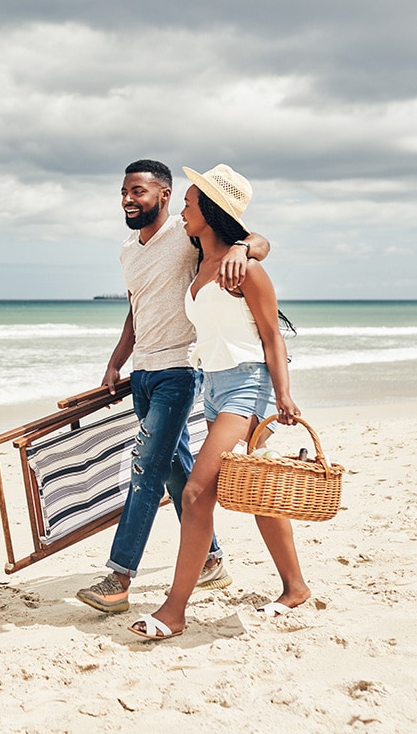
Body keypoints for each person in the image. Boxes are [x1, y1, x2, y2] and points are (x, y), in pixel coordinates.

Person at [76, 159, 269, 614]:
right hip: (143, 372)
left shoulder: (185, 235)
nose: (128, 199)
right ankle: (212, 561)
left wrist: (245, 249)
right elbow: (135, 310)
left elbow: (258, 238)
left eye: (138, 191)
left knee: (145, 466)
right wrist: (115, 364)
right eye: (124, 191)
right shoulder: (127, 250)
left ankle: (120, 576)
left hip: (181, 371)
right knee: (171, 466)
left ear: (163, 195)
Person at [129, 164, 309, 640]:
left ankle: (174, 610)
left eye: (189, 204)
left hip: (247, 385)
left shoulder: (245, 268)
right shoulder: (199, 260)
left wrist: (284, 396)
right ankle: (295, 588)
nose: (183, 211)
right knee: (255, 489)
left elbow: (273, 338)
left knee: (195, 493)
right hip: (213, 387)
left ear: (210, 212)